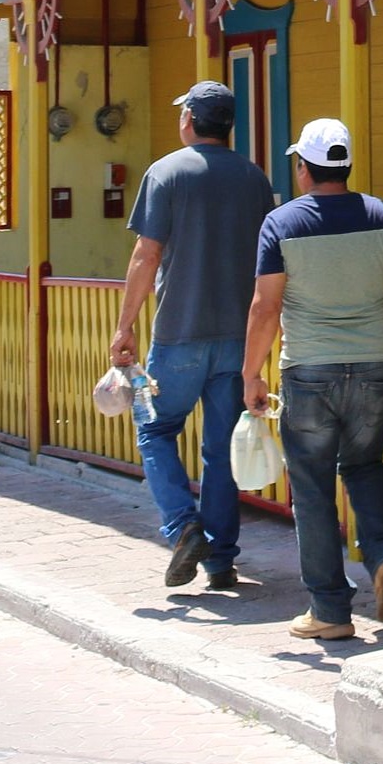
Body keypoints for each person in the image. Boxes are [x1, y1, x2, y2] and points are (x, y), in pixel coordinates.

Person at [243, 117, 383, 642]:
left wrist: (251, 374)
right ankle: (381, 556)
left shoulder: (282, 223)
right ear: (346, 165)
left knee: (310, 487)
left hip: (308, 370)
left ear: (303, 169)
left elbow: (266, 306)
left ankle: (330, 609)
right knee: (365, 466)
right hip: (373, 365)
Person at [110, 82, 274, 592]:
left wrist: (125, 324)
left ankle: (184, 526)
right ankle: (221, 560)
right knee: (222, 446)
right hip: (237, 338)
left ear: (189, 121)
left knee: (156, 430)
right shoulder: (254, 179)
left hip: (180, 332)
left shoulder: (166, 172)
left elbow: (147, 255)